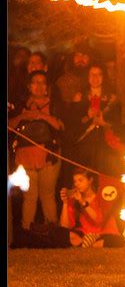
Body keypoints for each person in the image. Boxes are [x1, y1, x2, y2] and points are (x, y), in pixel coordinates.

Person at [11, 168, 125, 249]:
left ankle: (89, 244)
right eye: (75, 181)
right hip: (83, 236)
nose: (77, 184)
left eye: (81, 180)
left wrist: (82, 202)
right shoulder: (74, 199)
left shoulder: (101, 197)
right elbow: (65, 226)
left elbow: (98, 220)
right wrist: (65, 203)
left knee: (117, 241)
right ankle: (84, 244)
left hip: (103, 234)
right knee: (59, 233)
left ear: (90, 181)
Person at [8, 70, 63, 231]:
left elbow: (60, 126)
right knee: (30, 196)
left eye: (42, 83)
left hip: (48, 155)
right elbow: (10, 127)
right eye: (35, 82)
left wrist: (41, 116)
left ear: (47, 86)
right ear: (29, 86)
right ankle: (26, 230)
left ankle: (52, 230)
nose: (39, 86)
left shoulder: (54, 104)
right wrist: (22, 117)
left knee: (47, 195)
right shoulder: (20, 105)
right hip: (25, 156)